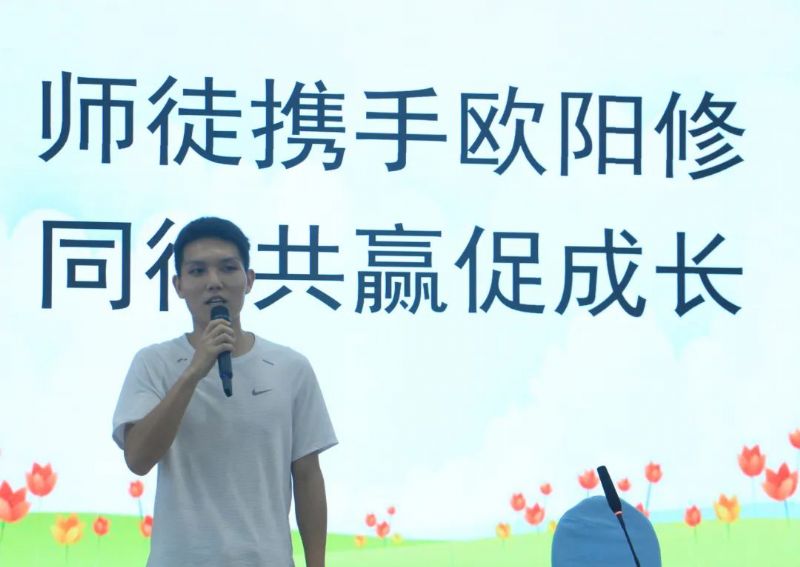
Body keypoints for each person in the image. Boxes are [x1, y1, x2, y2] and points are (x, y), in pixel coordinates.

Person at [112, 217, 337, 567]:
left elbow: (307, 475)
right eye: (198, 271)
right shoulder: (154, 363)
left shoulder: (291, 367)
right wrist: (194, 371)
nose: (213, 282)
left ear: (249, 280)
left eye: (228, 268)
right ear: (178, 285)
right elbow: (138, 459)